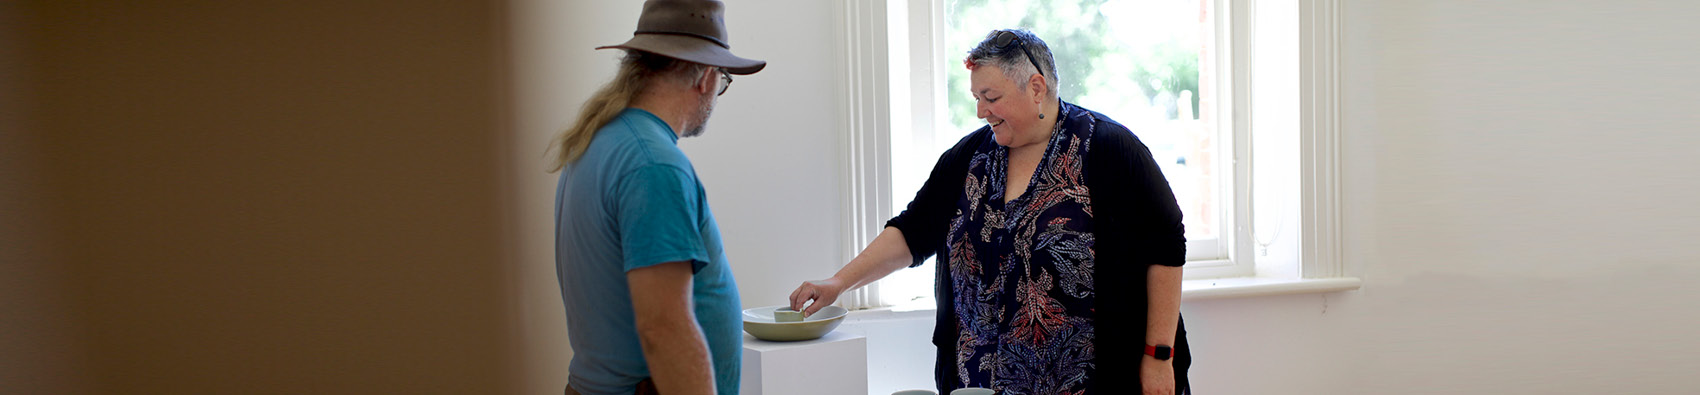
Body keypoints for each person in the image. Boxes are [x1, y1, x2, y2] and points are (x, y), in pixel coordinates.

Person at [789, 29, 1191, 395]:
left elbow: (1167, 245)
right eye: (977, 98)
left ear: (1037, 87)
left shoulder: (1108, 150)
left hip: (1093, 381)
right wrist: (838, 282)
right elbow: (912, 232)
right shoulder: (969, 157)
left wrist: (1159, 356)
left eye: (992, 98)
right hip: (976, 383)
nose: (981, 111)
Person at [549, 1, 764, 394]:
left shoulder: (597, 142)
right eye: (724, 80)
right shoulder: (654, 166)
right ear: (706, 77)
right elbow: (663, 329)